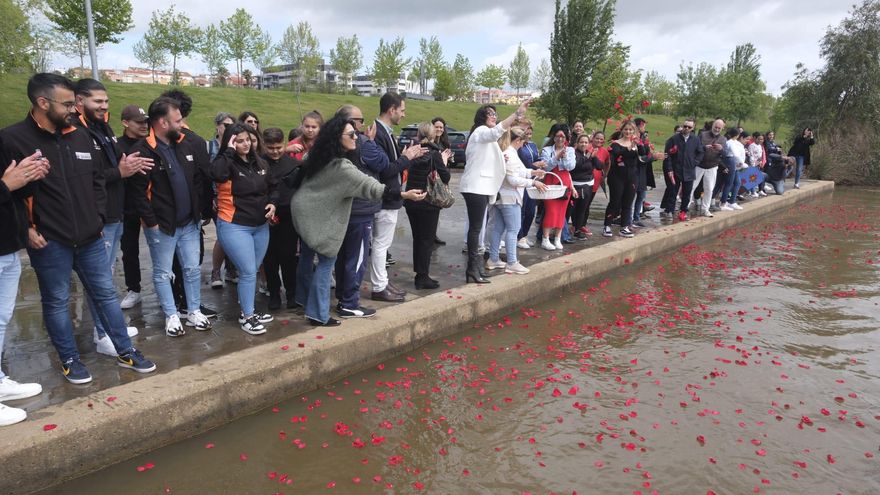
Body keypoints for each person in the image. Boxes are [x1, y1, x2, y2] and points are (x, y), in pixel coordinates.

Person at [2, 73, 156, 383]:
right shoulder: (11, 139)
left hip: (90, 236)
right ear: (42, 103)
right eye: (68, 104)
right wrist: (28, 229)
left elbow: (97, 181)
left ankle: (125, 350)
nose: (74, 109)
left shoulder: (80, 135)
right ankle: (69, 359)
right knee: (57, 300)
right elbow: (8, 191)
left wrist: (98, 218)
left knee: (105, 294)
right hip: (49, 240)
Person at [291, 116, 426, 327]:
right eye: (352, 134)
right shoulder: (342, 167)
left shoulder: (317, 155)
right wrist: (404, 194)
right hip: (316, 217)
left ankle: (302, 299)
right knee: (326, 262)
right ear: (338, 138)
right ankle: (317, 314)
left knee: (307, 258)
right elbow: (373, 187)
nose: (357, 137)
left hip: (302, 212)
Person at [72, 79, 150, 356]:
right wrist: (121, 171)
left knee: (104, 278)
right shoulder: (75, 132)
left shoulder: (102, 128)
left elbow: (116, 165)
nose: (103, 106)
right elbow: (85, 179)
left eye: (106, 102)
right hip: (98, 218)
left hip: (114, 213)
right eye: (97, 102)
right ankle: (102, 334)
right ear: (79, 100)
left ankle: (107, 326)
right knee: (99, 280)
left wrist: (126, 167)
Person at [129, 97, 212, 337]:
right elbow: (138, 194)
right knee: (164, 272)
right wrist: (152, 223)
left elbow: (196, 180)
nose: (182, 124)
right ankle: (171, 315)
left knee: (192, 268)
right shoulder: (142, 151)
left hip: (189, 223)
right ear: (163, 122)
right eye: (177, 120)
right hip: (162, 226)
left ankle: (193, 310)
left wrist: (199, 212)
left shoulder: (185, 145)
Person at [210, 123, 276, 334]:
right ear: (231, 142)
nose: (245, 144)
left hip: (260, 226)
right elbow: (217, 174)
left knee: (251, 272)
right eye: (239, 140)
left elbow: (273, 186)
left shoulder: (260, 162)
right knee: (247, 272)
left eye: (248, 139)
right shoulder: (225, 163)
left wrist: (273, 203)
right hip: (234, 225)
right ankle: (247, 317)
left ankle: (248, 310)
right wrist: (228, 150)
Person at [460, 100, 530, 283]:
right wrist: (516, 114)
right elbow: (495, 132)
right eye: (490, 114)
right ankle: (472, 269)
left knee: (477, 229)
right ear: (483, 117)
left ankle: (476, 268)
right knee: (476, 230)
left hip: (481, 188)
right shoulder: (481, 131)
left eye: (495, 114)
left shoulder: (485, 137)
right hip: (475, 187)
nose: (494, 116)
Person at [0, 153, 47, 425]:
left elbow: (17, 191)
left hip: (8, 246)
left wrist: (32, 176)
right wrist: (6, 185)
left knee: (2, 319)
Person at [369, 93, 425, 298]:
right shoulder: (379, 133)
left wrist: (406, 157)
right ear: (391, 109)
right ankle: (379, 286)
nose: (403, 114)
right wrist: (406, 157)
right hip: (385, 198)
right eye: (402, 110)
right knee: (381, 244)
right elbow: (385, 170)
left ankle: (382, 282)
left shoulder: (385, 132)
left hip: (389, 197)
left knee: (382, 244)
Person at [487, 126, 546, 274]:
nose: (523, 145)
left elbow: (518, 171)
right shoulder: (510, 154)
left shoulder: (508, 153)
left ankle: (493, 259)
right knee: (513, 230)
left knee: (498, 229)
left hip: (500, 197)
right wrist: (533, 182)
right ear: (518, 140)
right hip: (510, 198)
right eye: (523, 142)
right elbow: (513, 179)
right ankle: (512, 262)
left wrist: (532, 172)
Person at [404, 122, 452, 288]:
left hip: (410, 199)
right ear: (432, 136)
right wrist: (444, 162)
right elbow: (446, 177)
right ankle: (422, 276)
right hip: (427, 201)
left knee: (418, 238)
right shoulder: (434, 153)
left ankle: (420, 273)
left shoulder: (412, 151)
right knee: (426, 240)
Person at [262, 128, 300, 311]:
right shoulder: (259, 163)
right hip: (266, 216)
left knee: (289, 257)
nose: (275, 151)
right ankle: (274, 294)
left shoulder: (292, 163)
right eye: (271, 148)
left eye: (278, 147)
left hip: (288, 215)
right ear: (264, 145)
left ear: (284, 145)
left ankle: (292, 294)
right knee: (269, 259)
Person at [118, 105, 151, 310]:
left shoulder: (151, 143)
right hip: (127, 206)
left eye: (146, 122)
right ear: (125, 123)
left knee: (161, 249)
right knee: (129, 250)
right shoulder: (117, 145)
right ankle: (134, 289)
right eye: (139, 122)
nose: (144, 125)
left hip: (151, 205)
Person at [603, 120, 646, 238]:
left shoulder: (636, 144)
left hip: (632, 177)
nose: (628, 132)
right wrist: (628, 149)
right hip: (617, 177)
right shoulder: (615, 144)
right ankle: (607, 225)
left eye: (631, 130)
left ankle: (624, 226)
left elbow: (643, 155)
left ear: (635, 131)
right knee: (615, 202)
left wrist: (639, 144)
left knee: (628, 203)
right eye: (626, 129)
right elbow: (616, 155)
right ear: (622, 130)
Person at [539, 124, 576, 250]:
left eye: (562, 137)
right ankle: (545, 238)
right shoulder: (547, 150)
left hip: (564, 182)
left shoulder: (570, 150)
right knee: (551, 211)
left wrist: (564, 157)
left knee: (561, 212)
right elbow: (546, 167)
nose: (560, 139)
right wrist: (556, 157)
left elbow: (570, 167)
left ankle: (558, 238)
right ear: (553, 137)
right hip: (550, 180)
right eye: (557, 136)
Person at [664, 119, 704, 222]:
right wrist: (669, 169)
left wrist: (695, 162)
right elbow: (667, 155)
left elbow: (700, 152)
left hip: (689, 170)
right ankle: (669, 211)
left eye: (689, 127)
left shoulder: (695, 139)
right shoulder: (674, 139)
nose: (686, 128)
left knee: (687, 193)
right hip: (676, 170)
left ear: (692, 128)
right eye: (685, 126)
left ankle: (683, 211)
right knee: (673, 191)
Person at [515, 120, 546, 250]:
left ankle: (525, 235)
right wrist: (534, 166)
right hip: (523, 180)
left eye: (530, 132)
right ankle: (519, 236)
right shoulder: (518, 146)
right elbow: (524, 163)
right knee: (522, 210)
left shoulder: (532, 145)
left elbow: (535, 158)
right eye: (526, 132)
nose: (528, 135)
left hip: (534, 180)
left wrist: (541, 162)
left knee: (530, 211)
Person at [692, 119, 726, 217]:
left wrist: (721, 149)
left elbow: (725, 154)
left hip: (712, 166)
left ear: (722, 128)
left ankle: (705, 209)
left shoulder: (723, 139)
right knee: (692, 186)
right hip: (700, 165)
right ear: (712, 126)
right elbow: (696, 148)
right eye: (716, 127)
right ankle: (686, 206)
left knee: (709, 188)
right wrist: (704, 147)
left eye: (719, 128)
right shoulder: (703, 135)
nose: (717, 129)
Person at [571, 134, 598, 239]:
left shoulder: (589, 154)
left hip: (588, 185)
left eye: (586, 142)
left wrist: (594, 158)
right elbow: (576, 166)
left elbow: (599, 166)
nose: (584, 144)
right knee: (574, 209)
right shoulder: (574, 153)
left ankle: (578, 229)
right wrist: (587, 158)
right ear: (577, 143)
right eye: (581, 142)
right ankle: (573, 228)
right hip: (576, 186)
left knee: (583, 208)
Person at [659, 125, 683, 217]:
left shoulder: (682, 142)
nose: (679, 133)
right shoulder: (671, 140)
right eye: (678, 131)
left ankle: (666, 205)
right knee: (672, 187)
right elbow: (667, 155)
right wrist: (669, 169)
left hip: (677, 168)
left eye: (681, 131)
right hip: (669, 168)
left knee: (672, 187)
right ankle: (669, 208)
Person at [720, 128, 747, 210]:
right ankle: (723, 203)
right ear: (737, 135)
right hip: (730, 160)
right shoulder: (730, 142)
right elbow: (736, 154)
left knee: (737, 183)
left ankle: (732, 201)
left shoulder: (734, 142)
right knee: (729, 183)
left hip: (733, 162)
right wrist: (742, 163)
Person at [747, 132, 766, 198]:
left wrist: (760, 162)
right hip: (753, 164)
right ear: (755, 139)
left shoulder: (760, 146)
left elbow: (760, 156)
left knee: (755, 177)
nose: (761, 141)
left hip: (758, 164)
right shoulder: (752, 146)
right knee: (752, 178)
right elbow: (751, 155)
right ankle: (752, 191)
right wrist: (753, 164)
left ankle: (752, 190)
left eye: (762, 139)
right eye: (759, 139)